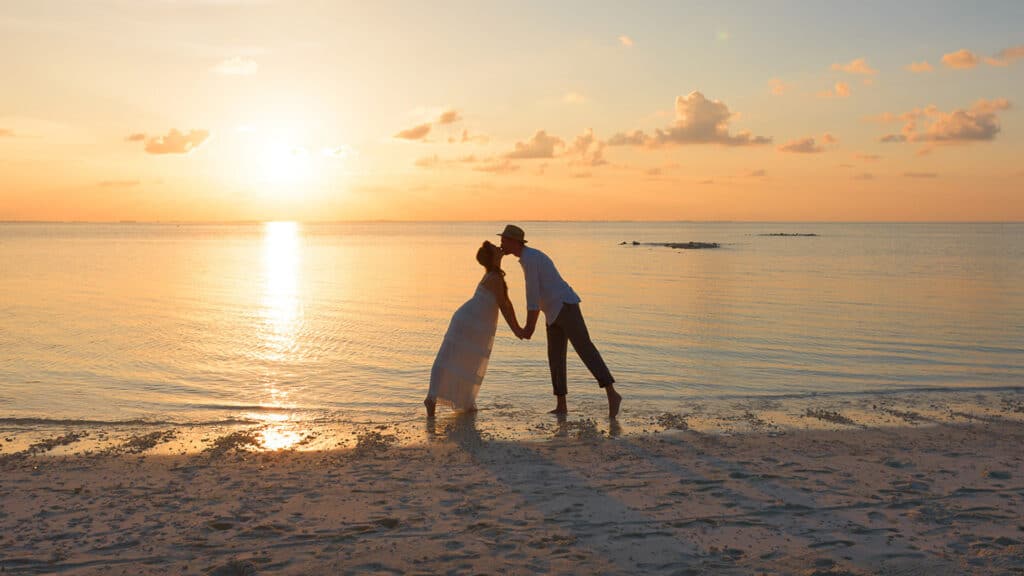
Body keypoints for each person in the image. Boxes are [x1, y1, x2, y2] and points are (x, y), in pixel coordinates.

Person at [497, 224, 622, 418]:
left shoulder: (531, 259)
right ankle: (561, 405)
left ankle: (612, 395)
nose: (501, 243)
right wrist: (529, 325)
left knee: (585, 349)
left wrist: (528, 327)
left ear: (514, 242)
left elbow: (532, 296)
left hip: (565, 306)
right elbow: (536, 297)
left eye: (504, 240)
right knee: (555, 357)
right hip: (552, 311)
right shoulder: (526, 259)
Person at [425, 241, 523, 418]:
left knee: (465, 360)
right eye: (496, 248)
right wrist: (518, 329)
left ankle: (462, 400)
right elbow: (505, 307)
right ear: (493, 257)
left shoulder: (493, 275)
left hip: (471, 321)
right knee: (454, 359)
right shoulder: (495, 278)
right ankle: (433, 398)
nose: (499, 248)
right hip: (471, 322)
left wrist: (518, 328)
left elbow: (506, 304)